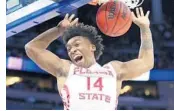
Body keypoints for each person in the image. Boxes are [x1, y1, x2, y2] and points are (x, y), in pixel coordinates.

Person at [25, 7, 154, 110]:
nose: (72, 50)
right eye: (69, 48)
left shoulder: (114, 70)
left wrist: (144, 28)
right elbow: (32, 48)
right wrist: (58, 30)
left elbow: (146, 62)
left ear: (92, 47)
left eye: (76, 44)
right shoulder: (65, 69)